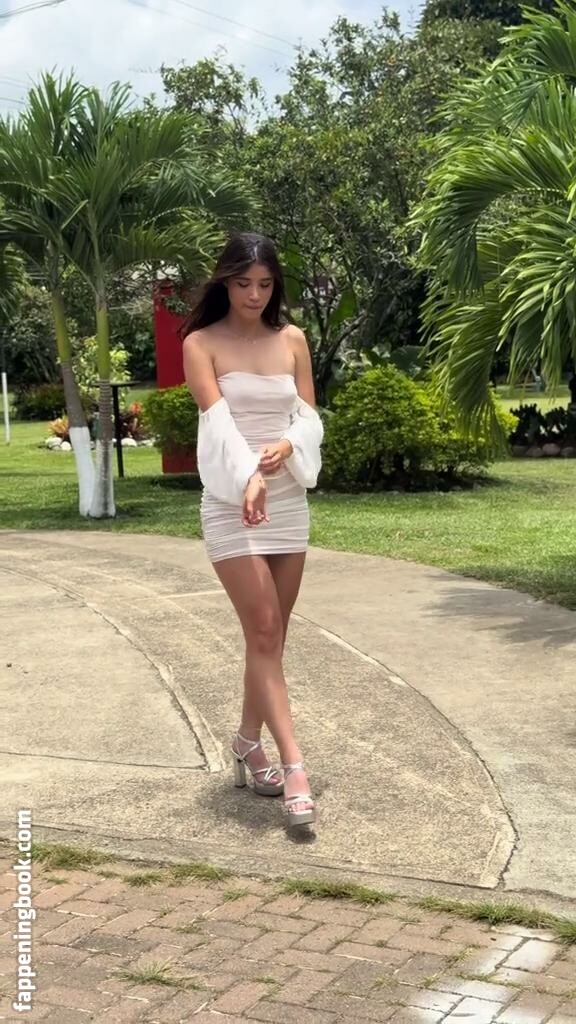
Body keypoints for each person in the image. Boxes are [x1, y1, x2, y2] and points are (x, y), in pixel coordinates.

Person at [181, 232, 324, 829]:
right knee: (264, 629)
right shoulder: (200, 343)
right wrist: (248, 478)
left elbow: (309, 416)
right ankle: (294, 766)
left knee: (270, 638)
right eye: (243, 283)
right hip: (231, 502)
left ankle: (245, 742)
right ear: (225, 282)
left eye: (265, 284)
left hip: (287, 502)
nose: (254, 295)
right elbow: (217, 423)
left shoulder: (293, 339)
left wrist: (288, 445)